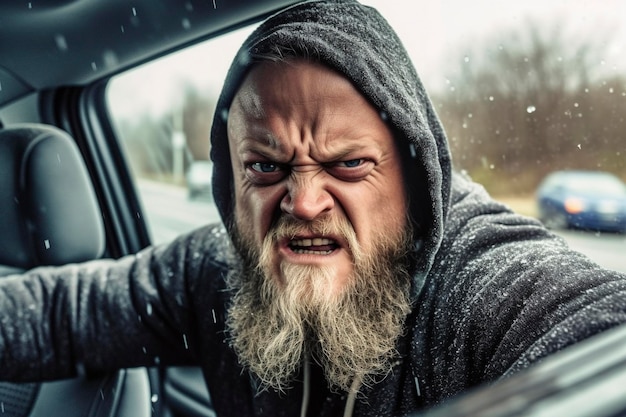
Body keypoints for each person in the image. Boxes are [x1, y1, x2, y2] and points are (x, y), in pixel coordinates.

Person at [2, 1, 626, 416]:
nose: (302, 201)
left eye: (348, 164)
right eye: (265, 167)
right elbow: (64, 313)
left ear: (415, 175)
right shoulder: (216, 272)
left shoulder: (480, 287)